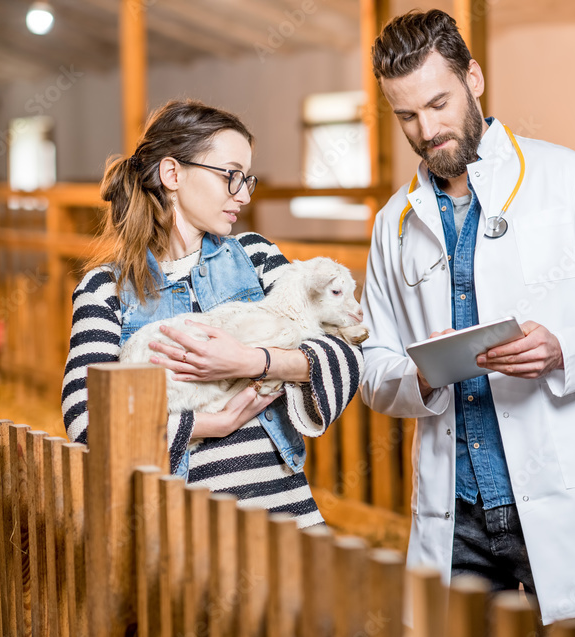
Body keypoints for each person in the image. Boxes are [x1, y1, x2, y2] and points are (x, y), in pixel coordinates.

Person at [360, 9, 575, 637]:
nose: (427, 129)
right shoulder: (393, 224)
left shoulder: (572, 181)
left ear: (474, 79)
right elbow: (371, 369)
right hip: (458, 518)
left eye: (439, 103)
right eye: (407, 117)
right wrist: (417, 377)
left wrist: (565, 346)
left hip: (563, 500)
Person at [62, 100, 362, 528]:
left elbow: (346, 357)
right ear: (173, 175)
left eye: (247, 179)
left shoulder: (257, 257)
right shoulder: (105, 290)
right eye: (230, 176)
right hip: (185, 531)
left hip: (286, 515)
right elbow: (86, 420)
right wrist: (211, 423)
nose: (243, 194)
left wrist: (252, 361)